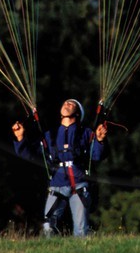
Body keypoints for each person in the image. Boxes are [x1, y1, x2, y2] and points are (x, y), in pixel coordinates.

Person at [12, 98, 108, 237]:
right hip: (57, 184)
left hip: (80, 184)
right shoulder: (50, 135)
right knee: (48, 225)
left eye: (72, 104)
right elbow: (29, 154)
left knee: (81, 229)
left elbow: (97, 156)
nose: (67, 104)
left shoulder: (86, 133)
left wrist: (100, 140)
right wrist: (20, 138)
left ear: (78, 113)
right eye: (65, 103)